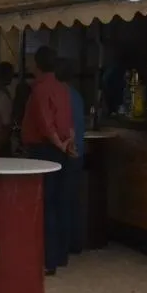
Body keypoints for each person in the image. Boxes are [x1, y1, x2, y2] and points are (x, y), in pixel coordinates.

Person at [21, 46, 73, 275]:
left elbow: (44, 121)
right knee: (59, 201)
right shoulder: (63, 88)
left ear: (37, 65)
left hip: (44, 149)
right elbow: (68, 121)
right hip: (60, 149)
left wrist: (57, 143)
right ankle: (60, 255)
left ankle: (47, 259)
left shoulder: (40, 90)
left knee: (45, 204)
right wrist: (67, 144)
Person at [55, 59, 86, 254]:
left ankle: (62, 246)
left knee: (62, 201)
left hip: (68, 151)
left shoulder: (61, 96)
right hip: (79, 152)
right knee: (72, 200)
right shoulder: (77, 96)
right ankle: (75, 243)